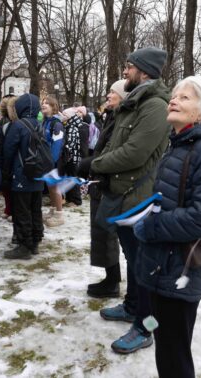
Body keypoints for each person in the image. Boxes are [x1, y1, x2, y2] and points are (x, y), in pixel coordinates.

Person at [133, 75, 201, 378]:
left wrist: (151, 227)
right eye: (174, 95)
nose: (174, 100)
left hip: (181, 271)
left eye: (185, 97)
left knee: (175, 354)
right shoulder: (178, 143)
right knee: (162, 340)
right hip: (160, 266)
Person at [90, 46, 170, 354]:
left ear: (145, 71)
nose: (125, 72)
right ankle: (132, 307)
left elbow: (135, 152)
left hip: (139, 197)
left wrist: (94, 165)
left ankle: (146, 327)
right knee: (134, 260)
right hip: (125, 194)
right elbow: (116, 143)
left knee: (144, 265)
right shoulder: (136, 102)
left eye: (129, 67)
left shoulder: (154, 106)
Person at [79, 79, 127, 298]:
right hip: (100, 179)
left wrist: (91, 164)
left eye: (113, 92)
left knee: (107, 234)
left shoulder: (120, 120)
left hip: (108, 182)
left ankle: (113, 282)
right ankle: (110, 277)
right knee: (100, 233)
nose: (108, 96)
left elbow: (115, 151)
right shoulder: (112, 116)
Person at [2, 93, 45, 259]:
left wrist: (6, 173)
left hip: (21, 175)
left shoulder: (18, 125)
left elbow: (9, 150)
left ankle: (24, 246)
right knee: (36, 209)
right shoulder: (40, 124)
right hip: (38, 174)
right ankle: (35, 242)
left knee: (22, 210)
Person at [41, 96, 65, 227]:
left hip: (53, 161)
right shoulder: (45, 122)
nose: (43, 105)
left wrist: (51, 162)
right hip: (47, 160)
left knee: (55, 187)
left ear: (53, 106)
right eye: (43, 103)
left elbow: (56, 145)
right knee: (50, 187)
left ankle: (59, 214)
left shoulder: (57, 124)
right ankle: (52, 210)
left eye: (47, 103)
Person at [60, 107, 84, 207]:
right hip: (70, 158)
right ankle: (70, 198)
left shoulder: (72, 128)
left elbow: (70, 144)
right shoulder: (69, 126)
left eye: (64, 115)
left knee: (73, 178)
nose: (62, 117)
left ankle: (76, 200)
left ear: (69, 117)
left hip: (72, 159)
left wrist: (64, 153)